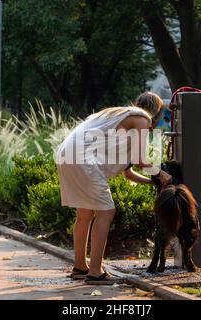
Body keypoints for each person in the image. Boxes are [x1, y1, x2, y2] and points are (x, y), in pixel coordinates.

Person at [56, 92, 172, 285]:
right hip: (83, 158)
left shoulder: (117, 116)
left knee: (84, 214)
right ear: (156, 115)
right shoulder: (142, 119)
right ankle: (95, 272)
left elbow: (129, 173)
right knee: (106, 212)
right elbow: (141, 161)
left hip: (67, 154)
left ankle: (79, 268)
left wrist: (153, 182)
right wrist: (162, 175)